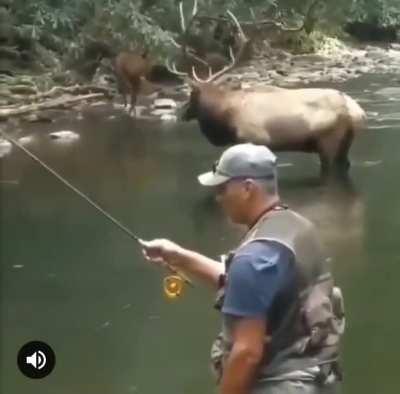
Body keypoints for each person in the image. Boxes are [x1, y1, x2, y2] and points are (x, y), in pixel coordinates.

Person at [141, 143, 345, 394]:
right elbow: (247, 285)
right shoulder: (297, 228)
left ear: (248, 188)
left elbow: (247, 353)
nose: (218, 197)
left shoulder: (255, 258)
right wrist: (179, 257)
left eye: (222, 188)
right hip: (320, 379)